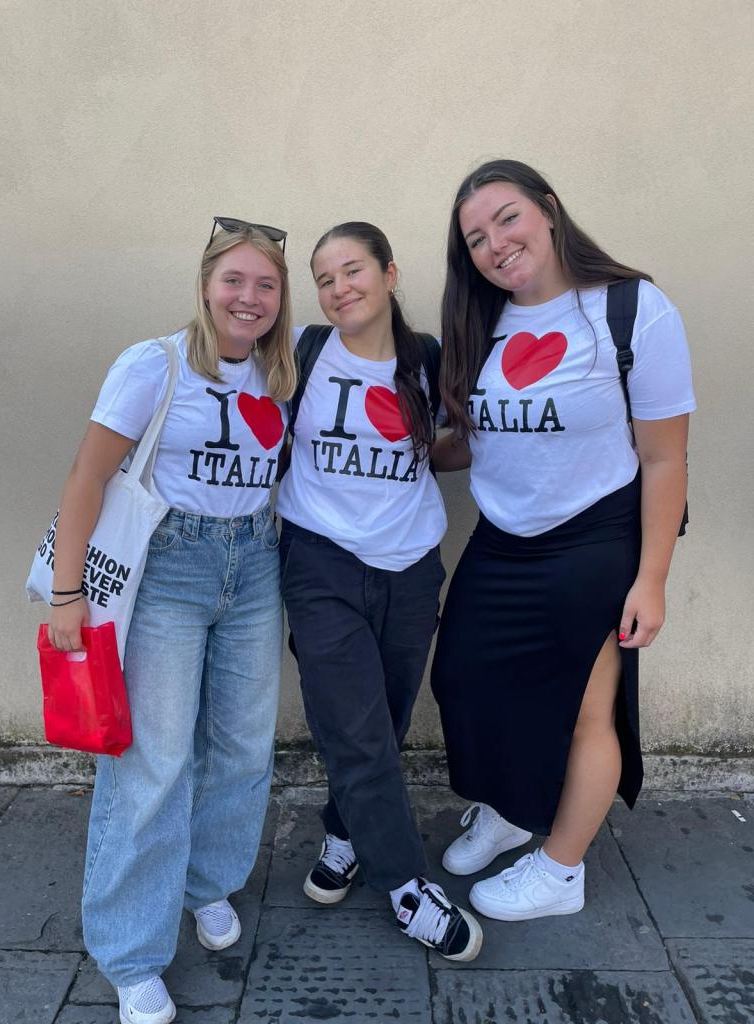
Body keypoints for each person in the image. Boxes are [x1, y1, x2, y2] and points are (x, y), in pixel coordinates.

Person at [431, 160, 695, 922]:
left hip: (593, 540)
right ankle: (513, 810)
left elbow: (665, 458)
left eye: (507, 218)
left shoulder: (631, 309)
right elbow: (478, 437)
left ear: (548, 210)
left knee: (586, 710)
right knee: (464, 680)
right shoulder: (481, 322)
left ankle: (560, 870)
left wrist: (651, 579)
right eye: (476, 238)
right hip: (502, 538)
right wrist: (409, 452)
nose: (495, 244)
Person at [47, 219, 296, 1024]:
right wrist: (67, 593)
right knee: (153, 761)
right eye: (235, 281)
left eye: (266, 285)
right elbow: (87, 476)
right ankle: (131, 954)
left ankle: (205, 883)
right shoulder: (153, 364)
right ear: (206, 284)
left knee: (243, 743)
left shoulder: (279, 373)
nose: (249, 298)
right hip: (169, 569)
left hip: (255, 562)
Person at [276, 222, 482, 961]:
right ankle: (406, 886)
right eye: (324, 279)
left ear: (390, 274)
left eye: (353, 270)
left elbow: (451, 447)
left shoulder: (430, 360)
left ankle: (345, 834)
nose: (339, 289)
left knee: (384, 718)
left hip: (411, 566)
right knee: (354, 724)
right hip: (319, 561)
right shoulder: (298, 353)